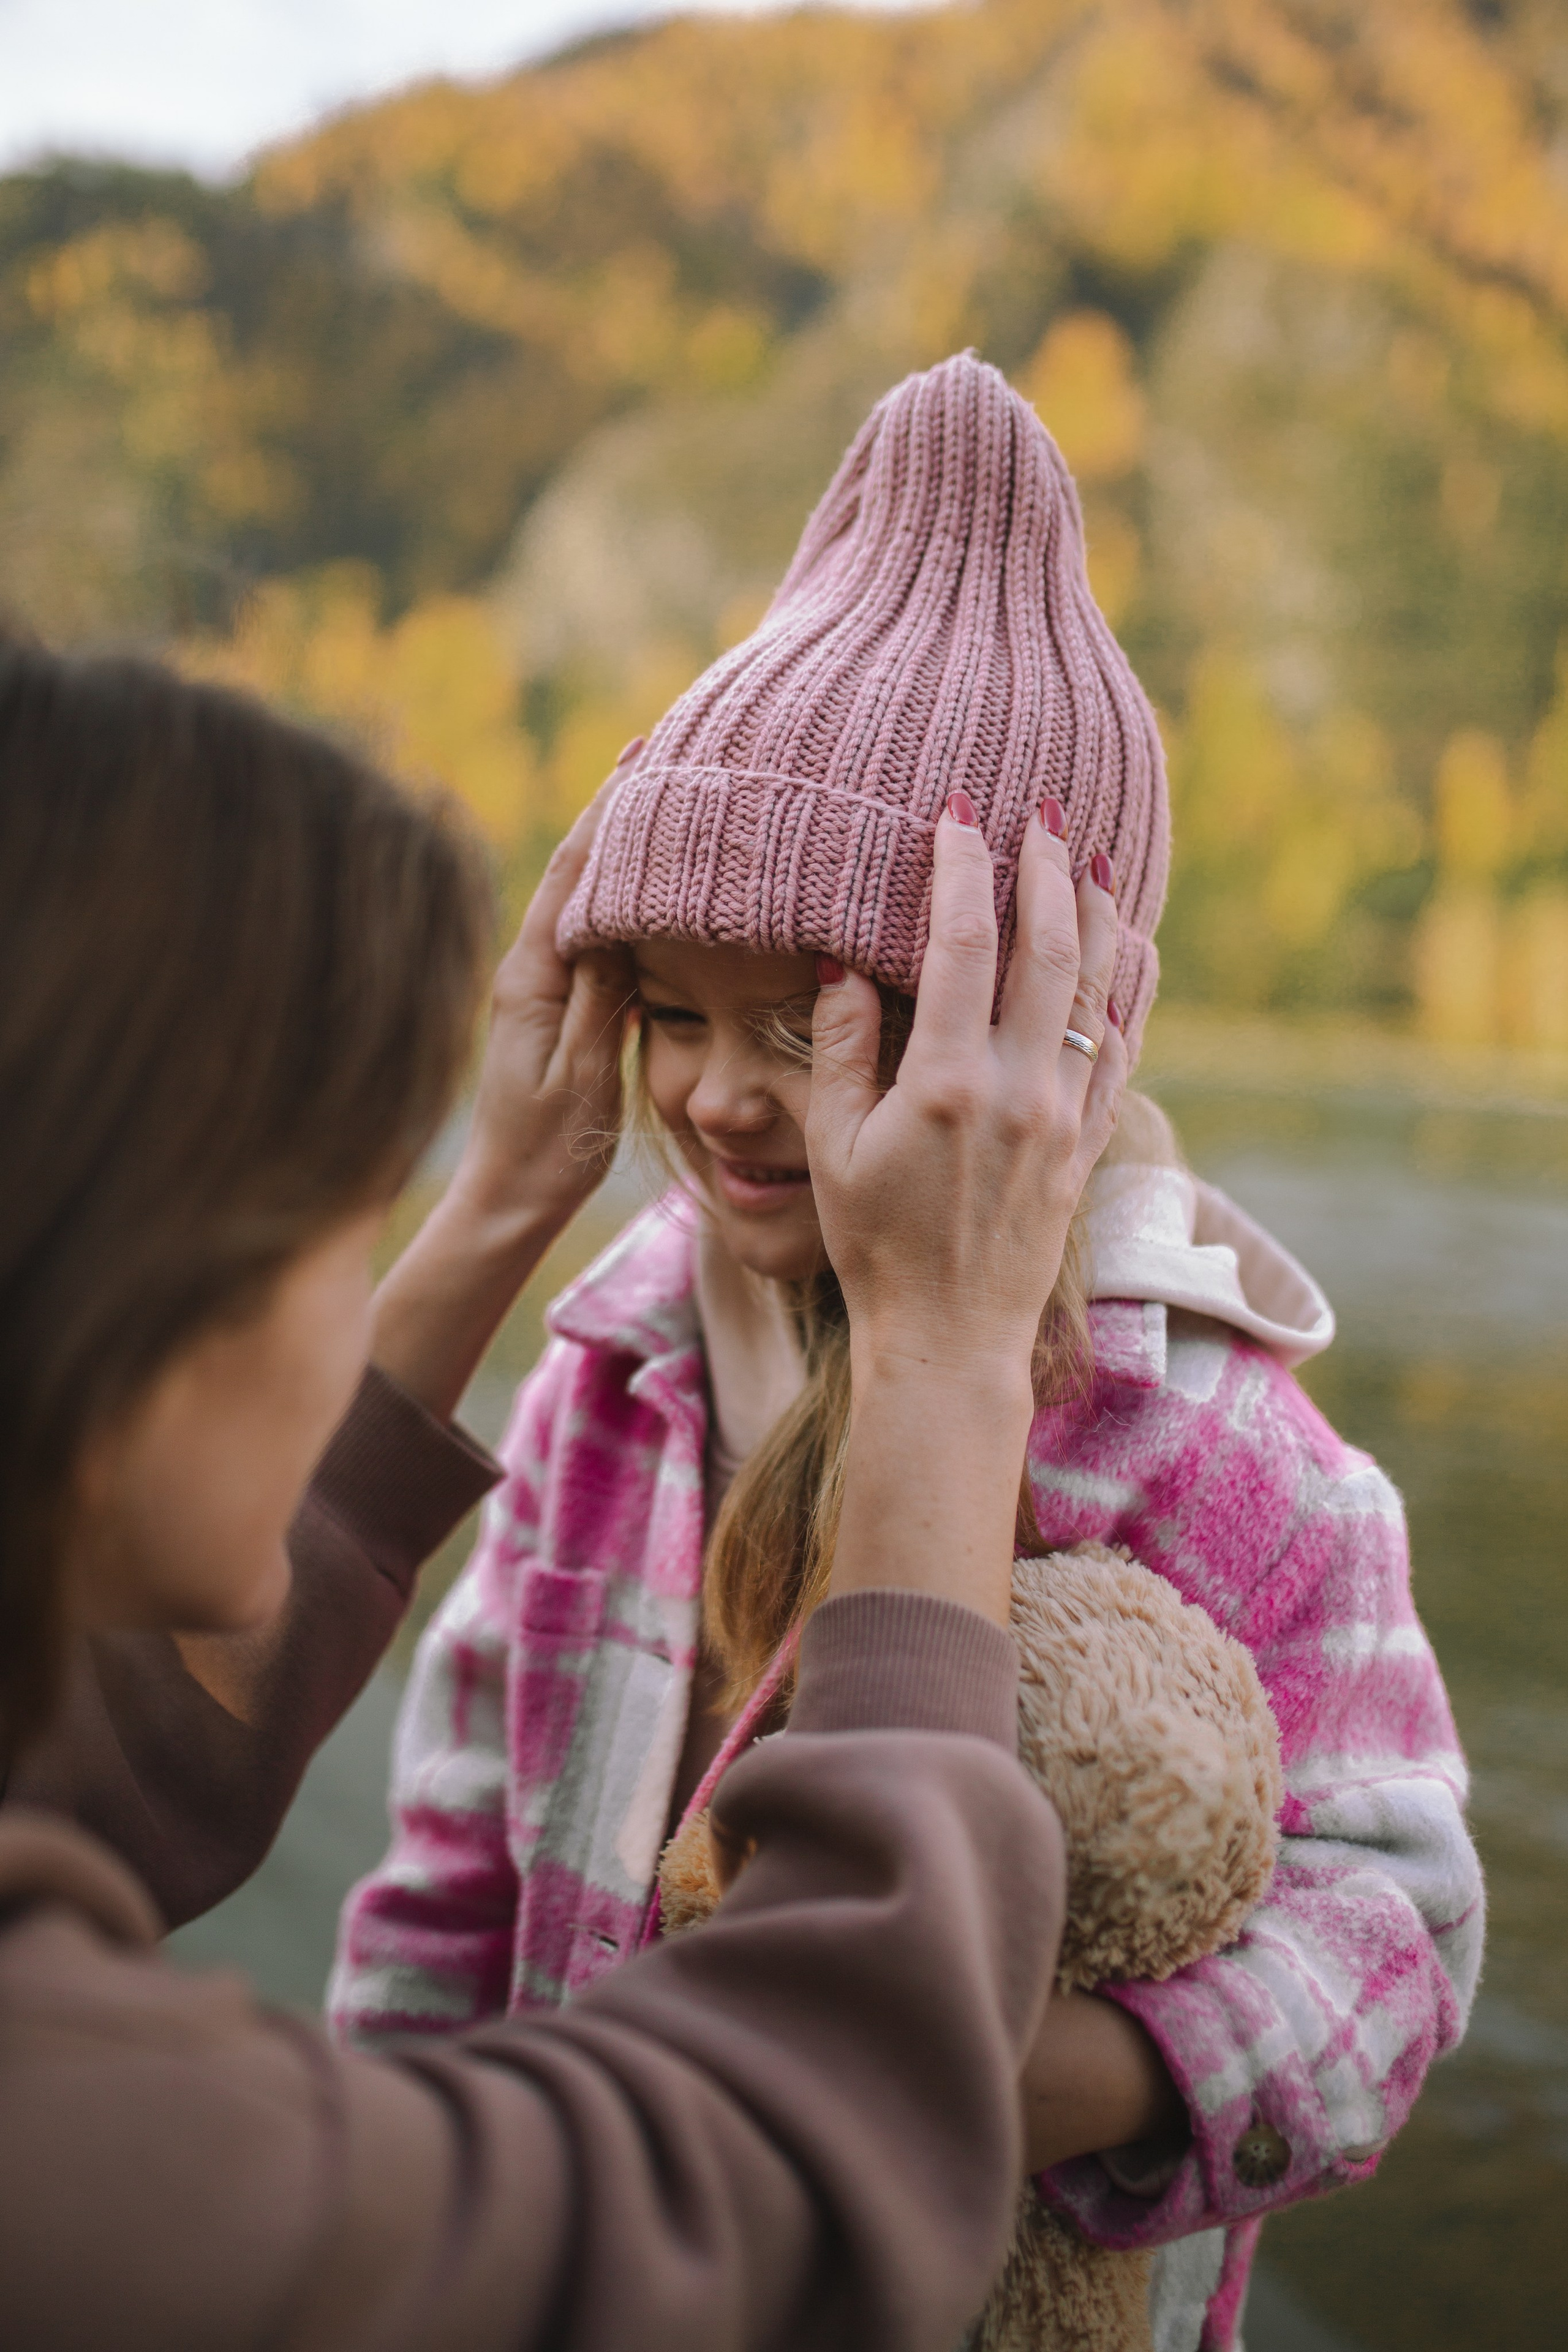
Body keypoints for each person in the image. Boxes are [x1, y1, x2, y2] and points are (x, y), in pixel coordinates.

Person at [331, 355, 1485, 2352]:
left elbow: (1405, 1940)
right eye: (671, 1012)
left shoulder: (1214, 1441)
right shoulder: (615, 1374)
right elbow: (451, 1865)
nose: (718, 1096)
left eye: (815, 1027)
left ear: (1040, 1040)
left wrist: (1067, 2081)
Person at [0, 623, 1129, 2348]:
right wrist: (949, 1362)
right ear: (120, 1282)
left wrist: (499, 1199)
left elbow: (120, 1761)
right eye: (353, 1218)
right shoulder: (96, 2165)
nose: (375, 1303)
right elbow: (781, 2184)